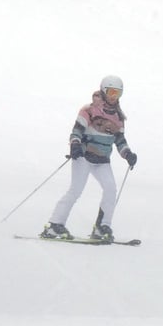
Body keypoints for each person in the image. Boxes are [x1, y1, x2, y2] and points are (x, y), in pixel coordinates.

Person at [41, 75, 137, 242]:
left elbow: (120, 140)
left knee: (110, 189)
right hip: (84, 156)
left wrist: (128, 154)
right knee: (76, 190)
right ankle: (54, 224)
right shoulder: (89, 110)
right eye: (112, 92)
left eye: (118, 93)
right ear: (104, 91)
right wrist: (75, 144)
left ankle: (102, 227)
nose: (114, 97)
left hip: (102, 160)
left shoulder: (119, 117)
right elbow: (77, 130)